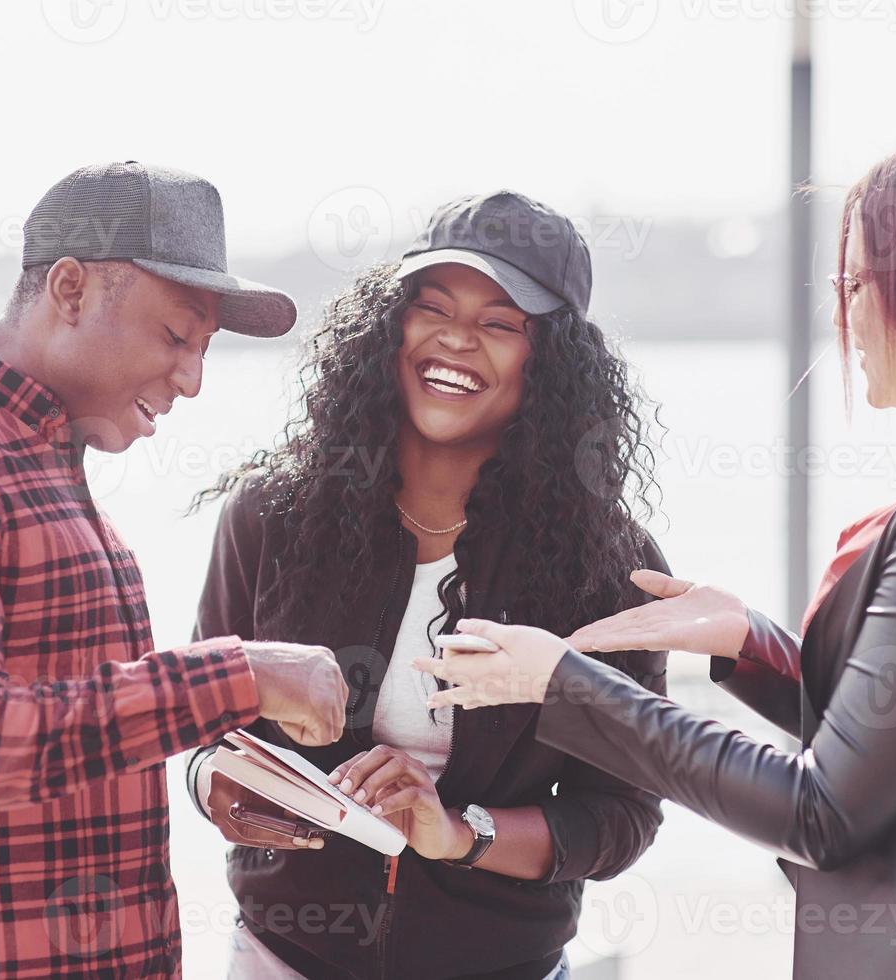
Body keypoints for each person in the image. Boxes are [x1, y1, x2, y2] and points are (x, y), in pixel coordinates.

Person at [415, 128, 896, 979]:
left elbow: (822, 809)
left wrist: (563, 684)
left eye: (852, 282)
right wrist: (751, 646)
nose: (841, 314)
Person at [0, 162, 348, 979]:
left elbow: (71, 732)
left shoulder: (34, 468)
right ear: (69, 290)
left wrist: (220, 769)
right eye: (175, 337)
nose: (192, 381)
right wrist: (241, 674)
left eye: (202, 351)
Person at [184, 190, 671, 979]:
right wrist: (212, 781)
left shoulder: (608, 569)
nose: (455, 339)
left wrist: (456, 833)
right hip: (281, 958)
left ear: (551, 361)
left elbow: (618, 816)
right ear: (391, 324)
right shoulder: (271, 516)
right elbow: (206, 716)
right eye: (432, 307)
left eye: (500, 323)